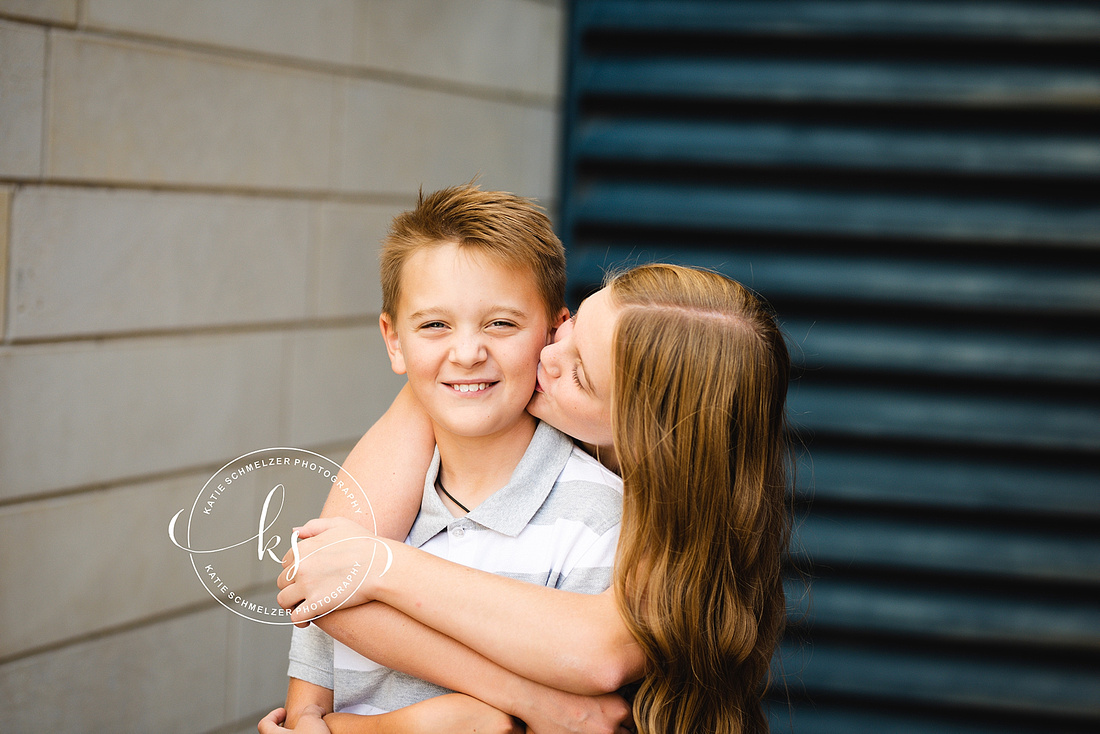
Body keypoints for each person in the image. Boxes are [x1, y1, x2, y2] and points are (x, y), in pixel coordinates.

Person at [273, 263, 793, 734]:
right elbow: (317, 579)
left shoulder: (633, 530)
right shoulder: (449, 393)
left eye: (581, 376)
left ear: (644, 438)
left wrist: (380, 567)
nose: (545, 354)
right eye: (569, 328)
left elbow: (599, 653)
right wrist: (528, 698)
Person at [277, 183, 626, 733]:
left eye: (501, 323)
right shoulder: (377, 502)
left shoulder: (595, 516)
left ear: (555, 332)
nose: (467, 353)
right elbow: (306, 712)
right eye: (435, 325)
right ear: (395, 342)